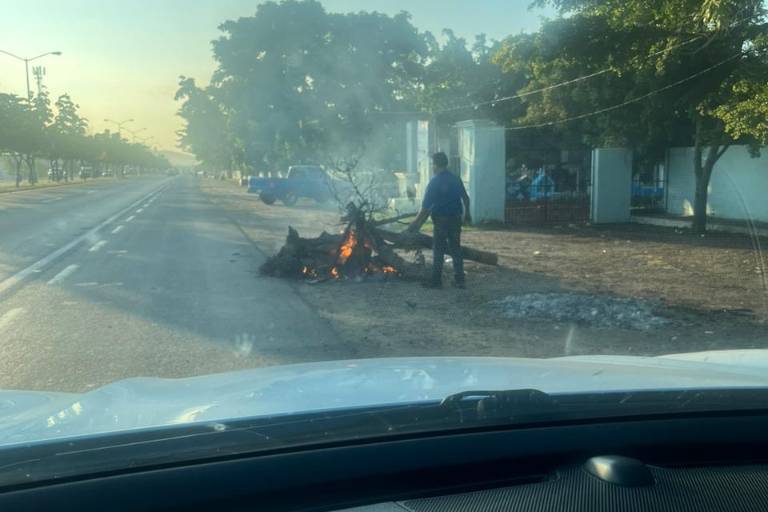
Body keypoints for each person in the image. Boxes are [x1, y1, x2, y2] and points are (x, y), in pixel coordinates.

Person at [407, 152, 471, 289]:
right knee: (455, 249)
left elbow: (425, 209)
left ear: (435, 165)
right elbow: (466, 198)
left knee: (439, 250)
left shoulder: (434, 182)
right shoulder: (456, 179)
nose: (432, 167)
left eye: (432, 164)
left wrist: (414, 224)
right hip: (455, 219)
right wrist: (467, 214)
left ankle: (436, 281)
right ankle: (460, 280)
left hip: (441, 220)